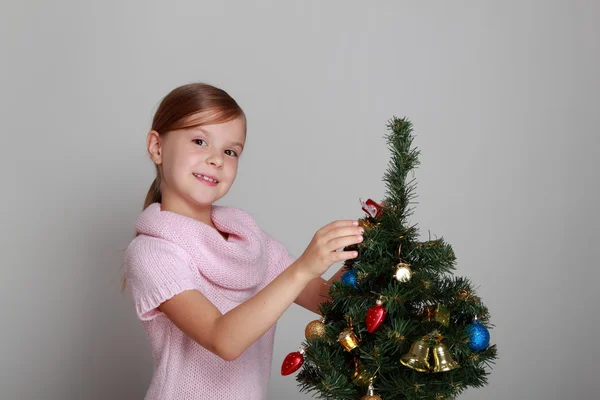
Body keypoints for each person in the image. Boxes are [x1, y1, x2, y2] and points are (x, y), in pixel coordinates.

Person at [123, 82, 364, 399]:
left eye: (230, 151)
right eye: (199, 141)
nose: (216, 160)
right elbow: (223, 339)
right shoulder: (153, 252)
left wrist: (372, 248)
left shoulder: (249, 241)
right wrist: (303, 267)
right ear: (157, 147)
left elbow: (328, 301)